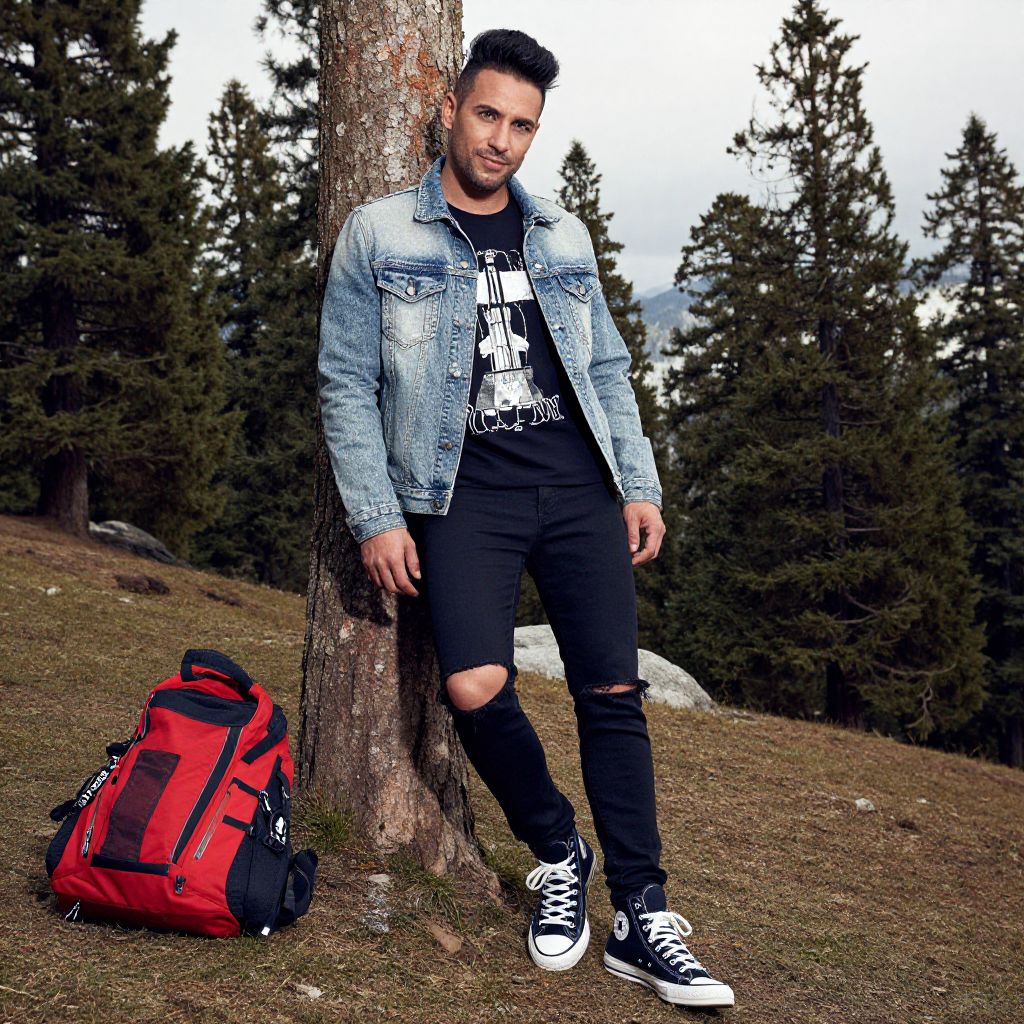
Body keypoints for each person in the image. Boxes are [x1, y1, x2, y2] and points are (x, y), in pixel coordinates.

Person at [318, 27, 735, 1011]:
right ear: (452, 110)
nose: (501, 139)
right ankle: (558, 848)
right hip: (463, 495)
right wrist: (376, 515)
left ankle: (641, 911)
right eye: (487, 114)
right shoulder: (380, 234)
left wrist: (638, 482)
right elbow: (343, 381)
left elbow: (603, 367)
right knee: (470, 683)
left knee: (610, 694)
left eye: (522, 125)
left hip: (578, 489)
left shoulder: (561, 235)